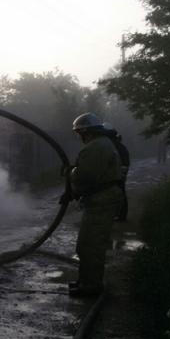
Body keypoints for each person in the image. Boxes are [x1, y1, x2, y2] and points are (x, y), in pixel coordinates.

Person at [63, 112, 123, 296]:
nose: (79, 136)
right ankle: (86, 281)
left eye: (79, 133)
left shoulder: (95, 147)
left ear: (86, 132)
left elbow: (85, 176)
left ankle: (91, 286)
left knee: (91, 245)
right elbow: (94, 177)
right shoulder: (102, 144)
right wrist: (73, 192)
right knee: (87, 244)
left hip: (101, 201)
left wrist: (70, 172)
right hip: (101, 198)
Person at [102, 123, 130, 221]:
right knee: (119, 192)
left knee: (117, 193)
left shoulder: (113, 146)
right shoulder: (118, 145)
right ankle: (120, 215)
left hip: (116, 173)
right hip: (119, 173)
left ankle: (119, 215)